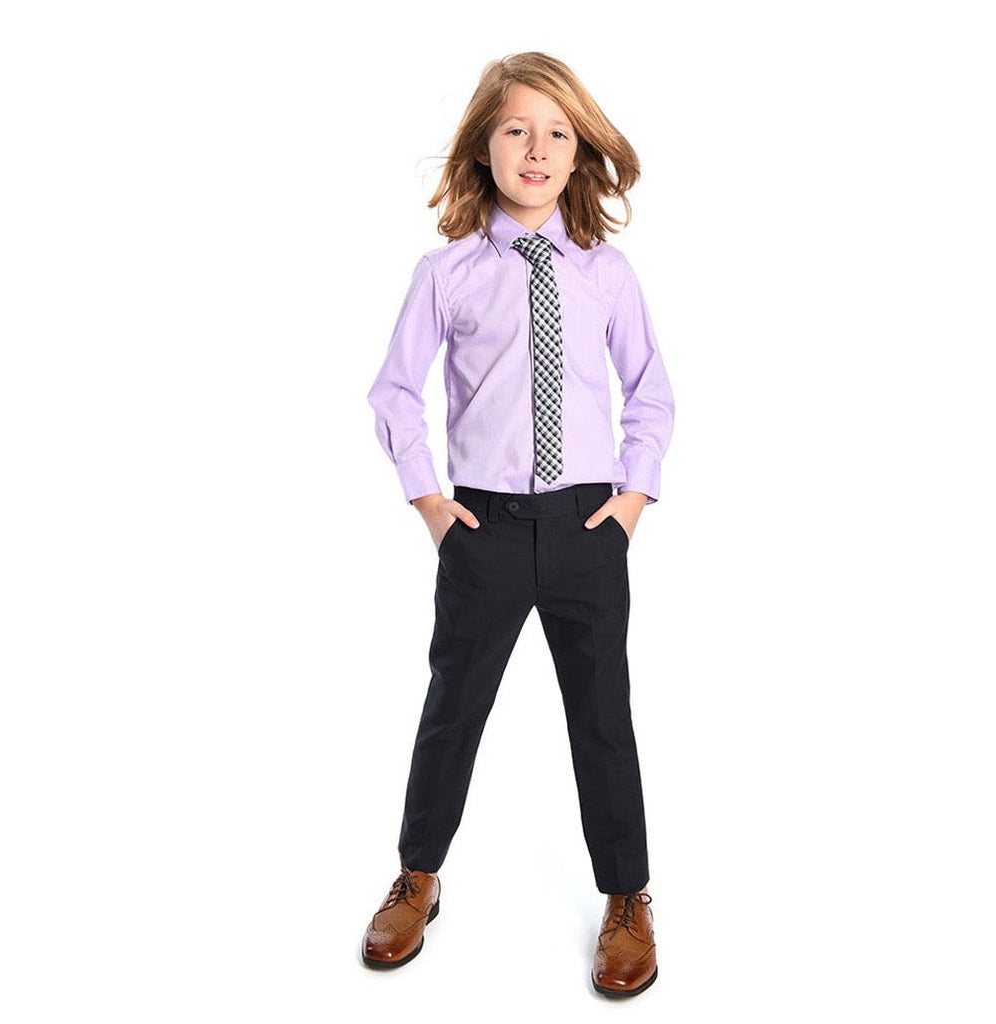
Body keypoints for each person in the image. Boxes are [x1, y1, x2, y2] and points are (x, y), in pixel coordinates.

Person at [361, 51, 675, 998]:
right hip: (484, 528)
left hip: (587, 525)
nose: (536, 150)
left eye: (556, 133)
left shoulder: (605, 274)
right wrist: (432, 505)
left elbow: (651, 392)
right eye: (516, 130)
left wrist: (630, 502)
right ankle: (417, 876)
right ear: (484, 146)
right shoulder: (447, 273)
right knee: (452, 708)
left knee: (603, 717)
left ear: (578, 153)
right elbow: (395, 392)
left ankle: (627, 896)